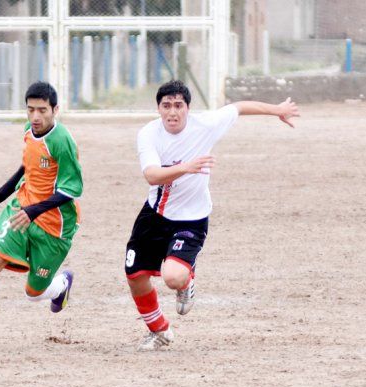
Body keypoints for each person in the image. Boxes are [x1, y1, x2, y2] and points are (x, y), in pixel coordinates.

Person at [125, 80, 300, 351]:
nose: (172, 112)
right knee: (135, 275)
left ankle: (186, 280)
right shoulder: (149, 133)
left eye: (178, 105)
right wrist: (186, 167)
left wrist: (277, 110)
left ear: (188, 108)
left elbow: (239, 107)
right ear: (158, 109)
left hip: (192, 218)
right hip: (155, 214)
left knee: (173, 277)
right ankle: (160, 331)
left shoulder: (205, 125)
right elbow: (151, 175)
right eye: (166, 106)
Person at [0, 82, 83, 351]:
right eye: (30, 109)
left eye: (42, 110)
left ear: (55, 110)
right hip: (20, 210)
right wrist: (1, 194)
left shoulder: (62, 141)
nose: (35, 116)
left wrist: (34, 212)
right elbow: (27, 166)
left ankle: (61, 285)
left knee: (34, 293)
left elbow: (71, 189)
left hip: (54, 225)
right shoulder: (29, 131)